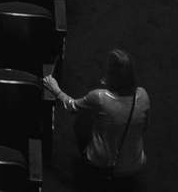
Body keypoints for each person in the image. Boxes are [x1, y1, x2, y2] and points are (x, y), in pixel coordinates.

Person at [44, 49, 149, 188]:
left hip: (101, 164)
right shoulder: (143, 95)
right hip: (134, 164)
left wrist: (56, 90)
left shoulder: (100, 97)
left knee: (83, 119)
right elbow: (144, 127)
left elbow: (72, 106)